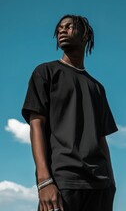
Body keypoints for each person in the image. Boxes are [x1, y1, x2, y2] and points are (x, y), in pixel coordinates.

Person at [22, 14, 118, 211]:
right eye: (59, 28)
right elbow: (36, 124)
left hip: (100, 186)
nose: (61, 30)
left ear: (85, 36)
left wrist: (112, 183)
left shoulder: (97, 88)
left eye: (68, 27)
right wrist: (44, 181)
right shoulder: (45, 72)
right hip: (62, 181)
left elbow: (101, 140)